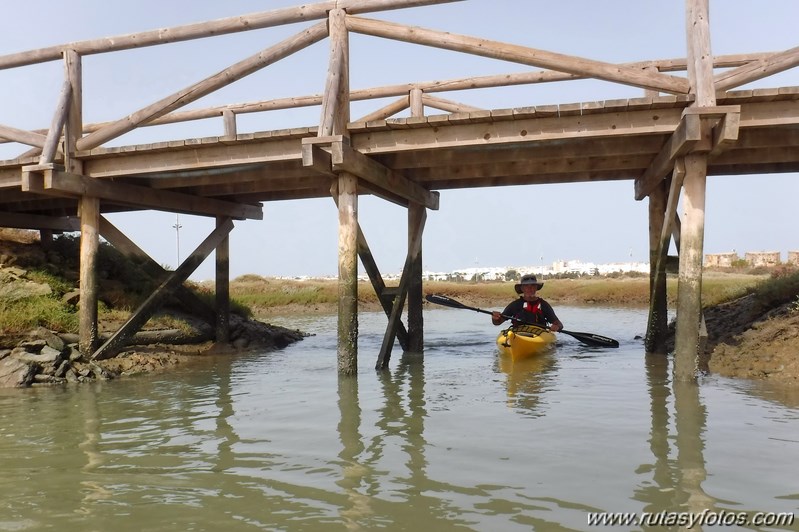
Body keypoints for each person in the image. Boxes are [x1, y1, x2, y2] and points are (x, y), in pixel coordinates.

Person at [492, 274, 563, 332]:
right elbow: (498, 322)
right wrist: (495, 318)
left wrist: (557, 327)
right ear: (522, 289)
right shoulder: (515, 305)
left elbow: (559, 324)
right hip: (518, 335)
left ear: (536, 288)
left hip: (539, 335)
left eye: (532, 286)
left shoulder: (544, 305)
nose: (530, 288)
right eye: (526, 286)